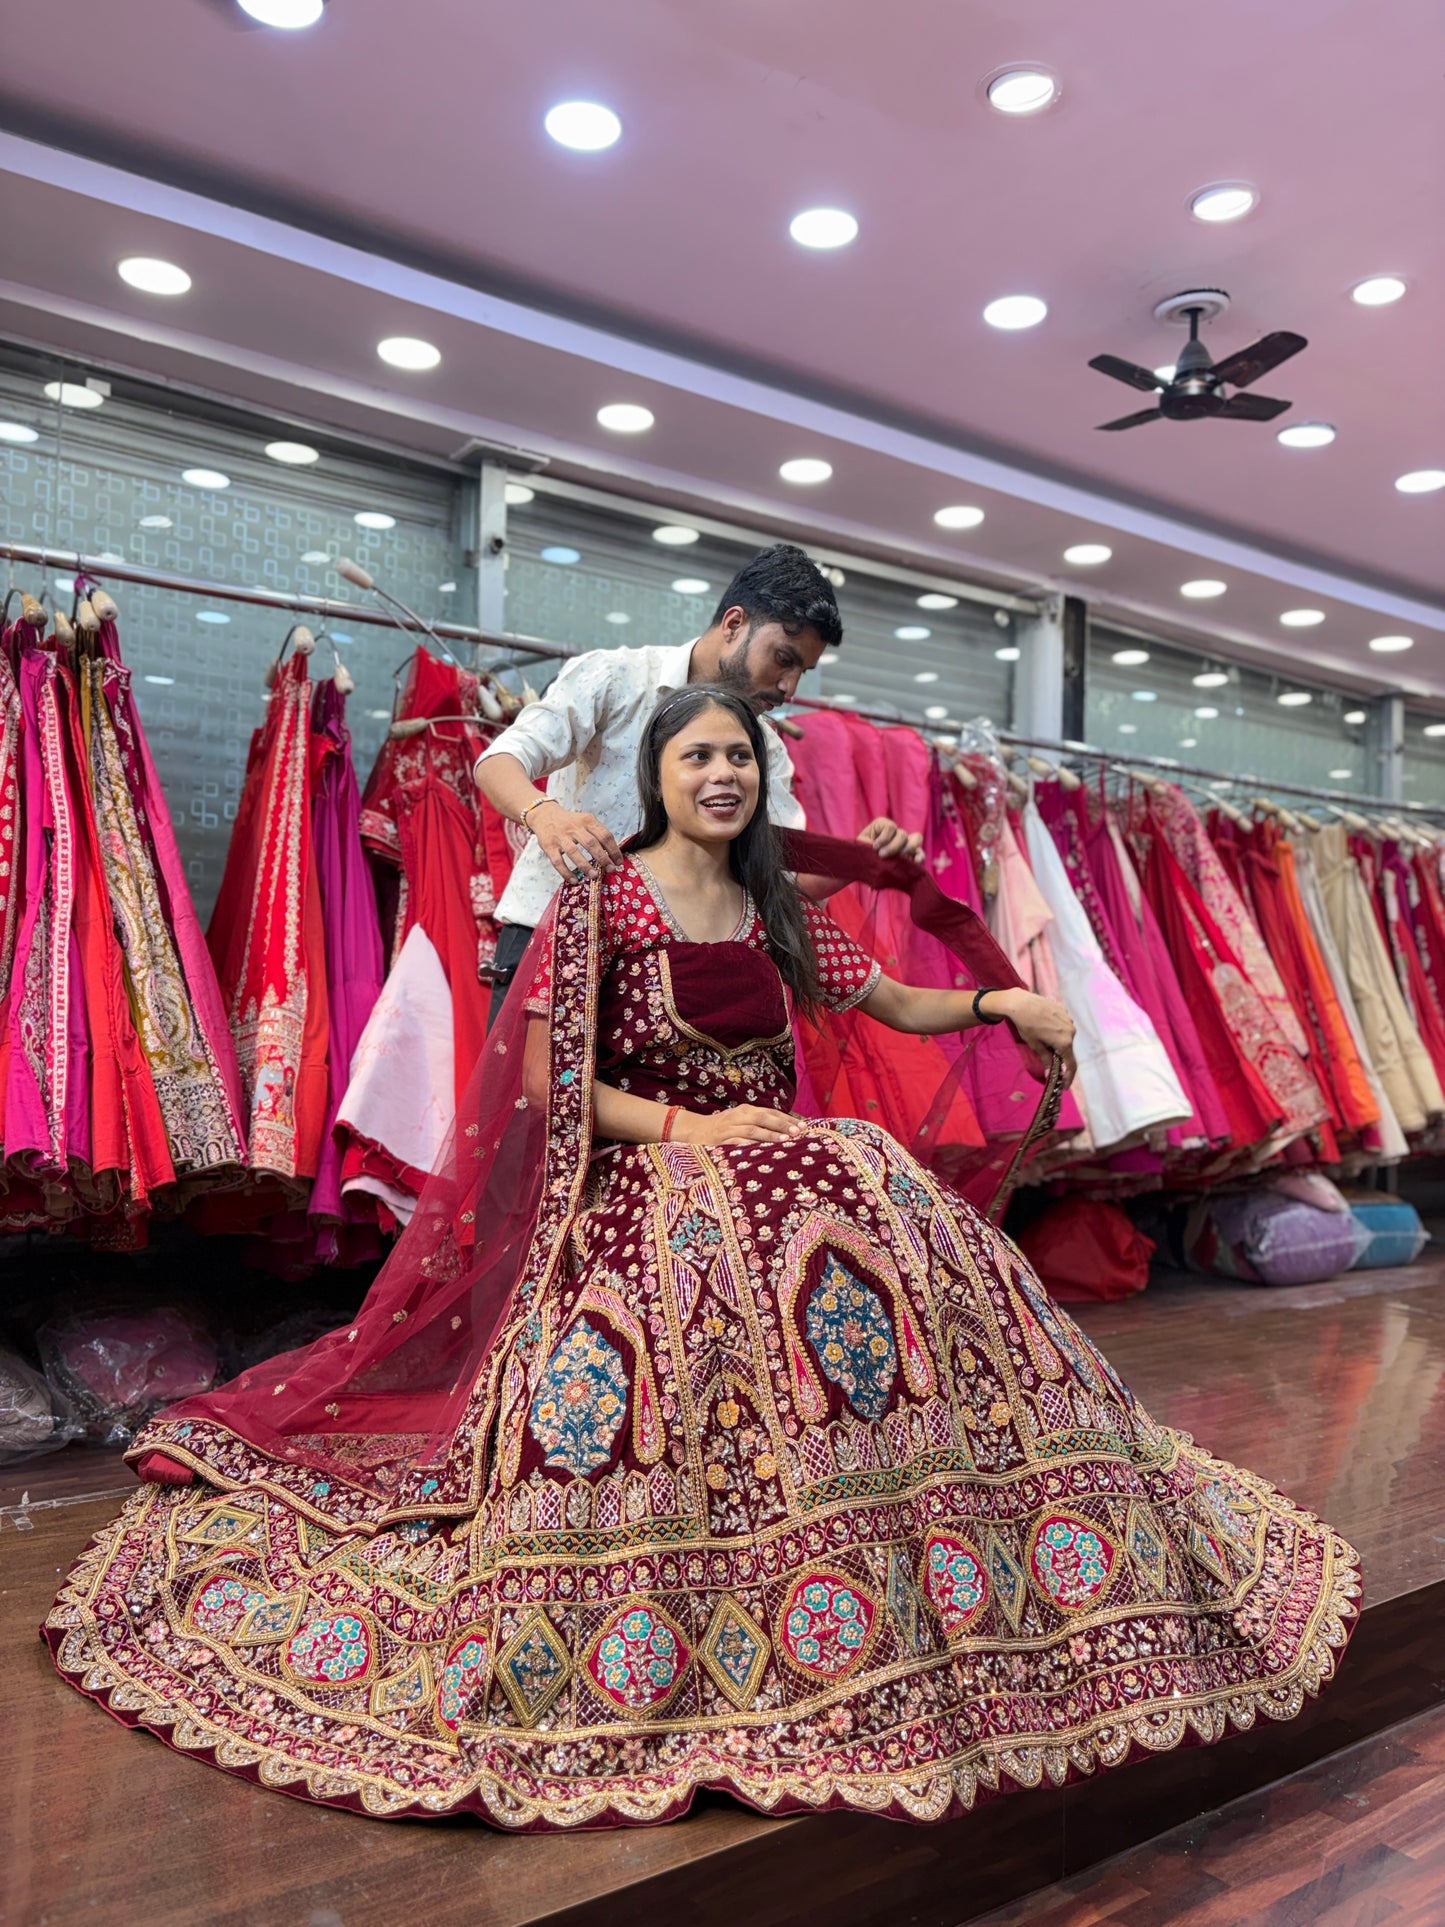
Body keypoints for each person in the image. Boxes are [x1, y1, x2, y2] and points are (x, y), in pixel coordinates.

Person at [46, 684, 1358, 1831]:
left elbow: (889, 1000)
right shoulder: (604, 895)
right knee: (730, 1275)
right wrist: (693, 1129)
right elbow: (553, 1084)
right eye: (698, 757)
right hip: (652, 1175)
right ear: (658, 775)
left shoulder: (775, 903)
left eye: (739, 757)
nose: (722, 774)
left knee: (888, 1204)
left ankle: (944, 1554)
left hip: (786, 1166)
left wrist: (996, 1000)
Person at [475, 542, 921, 1021]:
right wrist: (545, 815)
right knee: (535, 1075)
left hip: (669, 969)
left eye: (802, 672)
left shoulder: (765, 748)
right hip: (553, 937)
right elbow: (500, 760)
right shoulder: (616, 678)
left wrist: (862, 859)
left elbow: (778, 880)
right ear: (734, 625)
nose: (789, 688)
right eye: (783, 659)